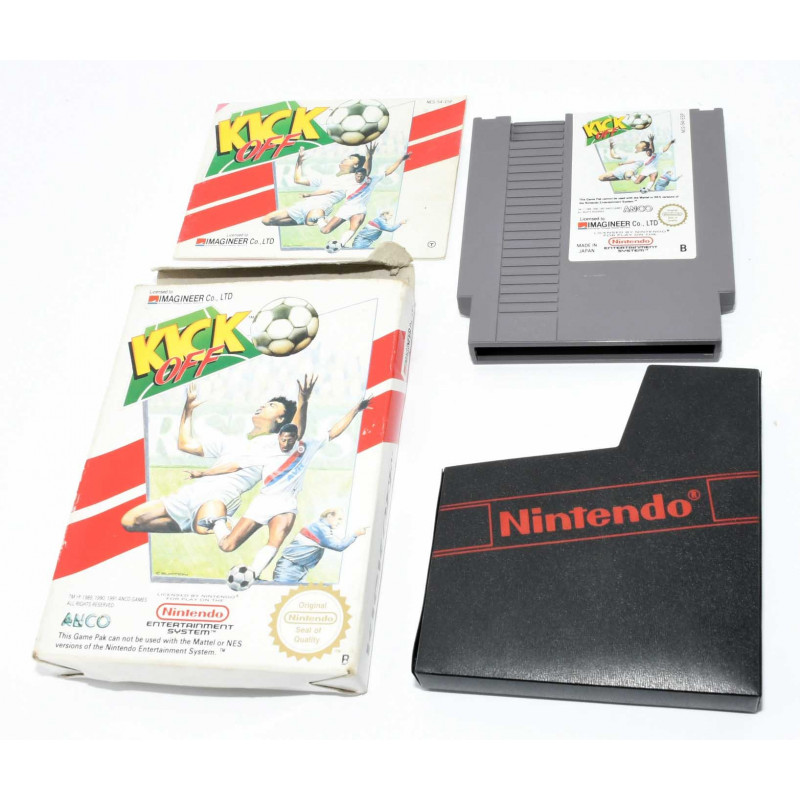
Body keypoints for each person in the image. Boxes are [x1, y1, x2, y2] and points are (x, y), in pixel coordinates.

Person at [187, 393, 371, 581]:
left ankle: (253, 574)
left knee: (274, 542)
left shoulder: (307, 446)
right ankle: (218, 522)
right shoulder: (267, 451)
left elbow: (334, 431)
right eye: (282, 439)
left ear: (296, 439)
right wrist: (204, 473)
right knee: (227, 546)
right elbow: (234, 465)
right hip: (263, 503)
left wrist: (356, 410)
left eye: (290, 440)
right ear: (278, 438)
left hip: (286, 506)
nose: (285, 444)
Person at [120, 376, 314, 535]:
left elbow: (296, 432)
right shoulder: (231, 440)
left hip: (222, 496)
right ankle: (195, 524)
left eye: (271, 405)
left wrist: (303, 402)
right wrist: (188, 410)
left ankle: (223, 524)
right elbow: (185, 444)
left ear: (281, 418)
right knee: (129, 521)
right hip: (191, 493)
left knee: (204, 526)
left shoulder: (276, 445)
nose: (263, 406)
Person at [260, 144, 375, 227]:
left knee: (311, 220)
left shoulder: (353, 179)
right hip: (303, 205)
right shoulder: (326, 177)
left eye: (350, 158)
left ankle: (317, 220)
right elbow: (298, 179)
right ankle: (307, 221)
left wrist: (369, 157)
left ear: (356, 165)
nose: (345, 158)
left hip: (320, 207)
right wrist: (299, 162)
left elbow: (366, 171)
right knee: (266, 220)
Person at [316, 148, 411, 248]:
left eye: (361, 176)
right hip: (346, 209)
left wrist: (401, 159)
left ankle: (340, 244)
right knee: (325, 230)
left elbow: (388, 171)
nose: (359, 178)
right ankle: (320, 219)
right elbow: (330, 190)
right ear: (355, 175)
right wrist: (310, 195)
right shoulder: (348, 181)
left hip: (360, 210)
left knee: (353, 228)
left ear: (365, 176)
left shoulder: (371, 180)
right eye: (357, 176)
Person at [269, 508, 367, 583]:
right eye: (339, 519)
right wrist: (355, 534)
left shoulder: (318, 526)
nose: (340, 523)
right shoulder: (320, 528)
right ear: (329, 516)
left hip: (299, 569)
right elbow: (339, 546)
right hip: (289, 569)